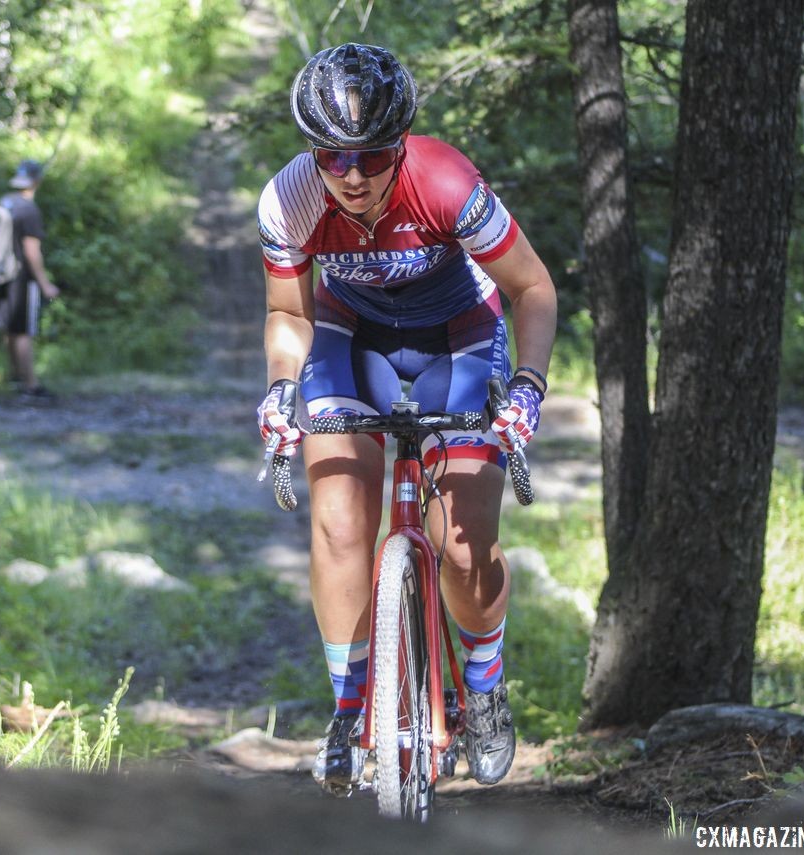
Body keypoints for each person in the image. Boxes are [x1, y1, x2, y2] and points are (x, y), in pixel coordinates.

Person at [255, 43, 557, 791]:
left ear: (402, 145)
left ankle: (482, 689)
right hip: (349, 337)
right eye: (332, 156)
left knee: (463, 542)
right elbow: (288, 312)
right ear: (311, 152)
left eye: (373, 155)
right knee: (338, 519)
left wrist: (527, 385)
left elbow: (535, 289)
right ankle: (349, 707)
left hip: (458, 332)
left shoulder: (447, 183)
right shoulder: (290, 199)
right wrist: (281, 390)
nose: (352, 175)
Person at [0, 159, 60, 400]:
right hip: (22, 278)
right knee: (24, 330)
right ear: (36, 181)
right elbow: (31, 250)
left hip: (2, 274)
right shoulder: (29, 209)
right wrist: (45, 284)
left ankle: (15, 376)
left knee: (10, 329)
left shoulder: (5, 202)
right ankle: (31, 385)